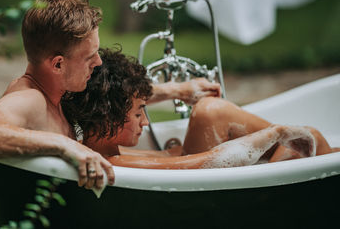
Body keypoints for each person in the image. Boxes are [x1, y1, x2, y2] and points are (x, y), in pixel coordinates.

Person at [0, 0, 220, 188]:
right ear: (58, 64)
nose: (99, 62)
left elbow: (113, 92)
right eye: (89, 56)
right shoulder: (29, 99)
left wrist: (178, 90)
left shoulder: (59, 88)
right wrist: (65, 145)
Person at [61, 48, 339, 169]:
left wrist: (170, 148)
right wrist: (275, 133)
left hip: (211, 175)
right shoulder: (111, 162)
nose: (145, 123)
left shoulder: (102, 147)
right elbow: (200, 165)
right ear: (105, 115)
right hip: (212, 180)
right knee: (210, 112)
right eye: (137, 113)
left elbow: (166, 158)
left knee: (209, 111)